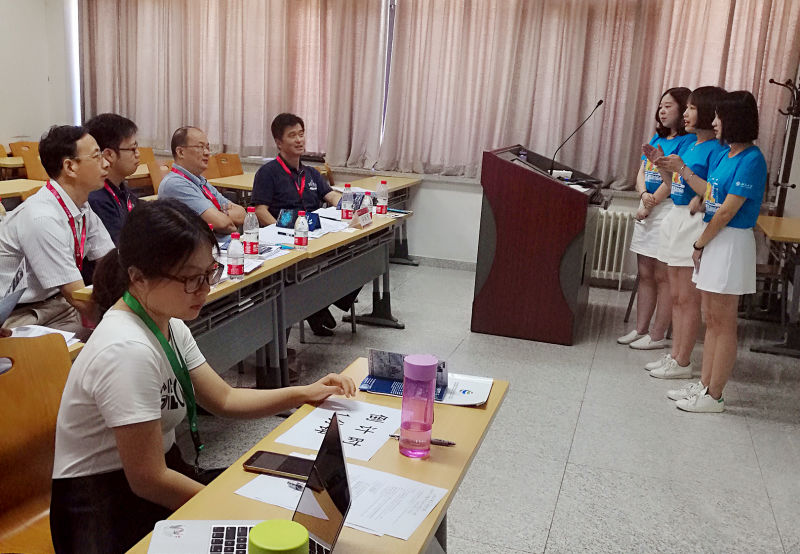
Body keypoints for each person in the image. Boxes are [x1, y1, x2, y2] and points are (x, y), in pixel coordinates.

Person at [50, 199, 356, 552]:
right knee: (259, 525)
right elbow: (148, 480)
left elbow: (224, 398)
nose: (206, 289)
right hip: (103, 510)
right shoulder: (125, 349)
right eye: (191, 279)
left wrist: (304, 392)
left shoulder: (167, 322)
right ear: (138, 277)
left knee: (280, 505)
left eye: (210, 273)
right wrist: (230, 512)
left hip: (157, 479)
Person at [659, 91, 765, 412]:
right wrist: (698, 197)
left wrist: (699, 243)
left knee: (724, 321)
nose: (715, 122)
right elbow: (712, 195)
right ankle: (704, 384)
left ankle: (714, 394)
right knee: (711, 319)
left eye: (720, 116)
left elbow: (728, 211)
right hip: (714, 239)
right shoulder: (727, 155)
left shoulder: (752, 159)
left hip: (730, 241)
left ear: (736, 119)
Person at [646, 87, 727, 379]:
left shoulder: (717, 149)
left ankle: (683, 360)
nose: (686, 114)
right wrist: (661, 165)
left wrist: (684, 172)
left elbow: (712, 191)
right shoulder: (691, 145)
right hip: (676, 218)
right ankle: (675, 355)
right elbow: (675, 186)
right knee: (676, 295)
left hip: (695, 222)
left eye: (692, 108)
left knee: (687, 298)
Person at [0, 125, 113, 333]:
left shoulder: (82, 207)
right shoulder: (42, 217)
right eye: (97, 156)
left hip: (58, 304)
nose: (106, 163)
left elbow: (111, 263)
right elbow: (75, 295)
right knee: (111, 339)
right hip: (20, 315)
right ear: (70, 167)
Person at [252, 113, 355, 337]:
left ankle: (317, 306)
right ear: (279, 142)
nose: (299, 140)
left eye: (301, 134)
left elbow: (331, 196)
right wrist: (282, 233)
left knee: (355, 259)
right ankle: (314, 308)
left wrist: (349, 207)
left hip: (314, 236)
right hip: (286, 241)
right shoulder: (268, 173)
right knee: (306, 272)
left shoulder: (311, 173)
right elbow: (260, 210)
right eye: (292, 136)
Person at [618, 87, 695, 350]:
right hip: (647, 205)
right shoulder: (657, 136)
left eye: (669, 106)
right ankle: (640, 329)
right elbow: (642, 169)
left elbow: (674, 180)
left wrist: (651, 204)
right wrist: (643, 195)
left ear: (683, 109)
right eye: (661, 106)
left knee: (663, 275)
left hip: (666, 209)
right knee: (644, 272)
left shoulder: (687, 141)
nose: (662, 111)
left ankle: (657, 334)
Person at [158, 126, 246, 237]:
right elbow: (222, 224)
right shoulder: (175, 184)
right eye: (200, 147)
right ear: (180, 152)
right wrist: (223, 218)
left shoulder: (200, 181)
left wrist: (220, 215)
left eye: (208, 147)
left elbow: (242, 214)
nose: (207, 152)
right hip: (199, 246)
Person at [85, 113, 140, 245]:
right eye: (133, 149)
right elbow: (119, 249)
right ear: (109, 155)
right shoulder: (97, 199)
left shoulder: (122, 189)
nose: (138, 154)